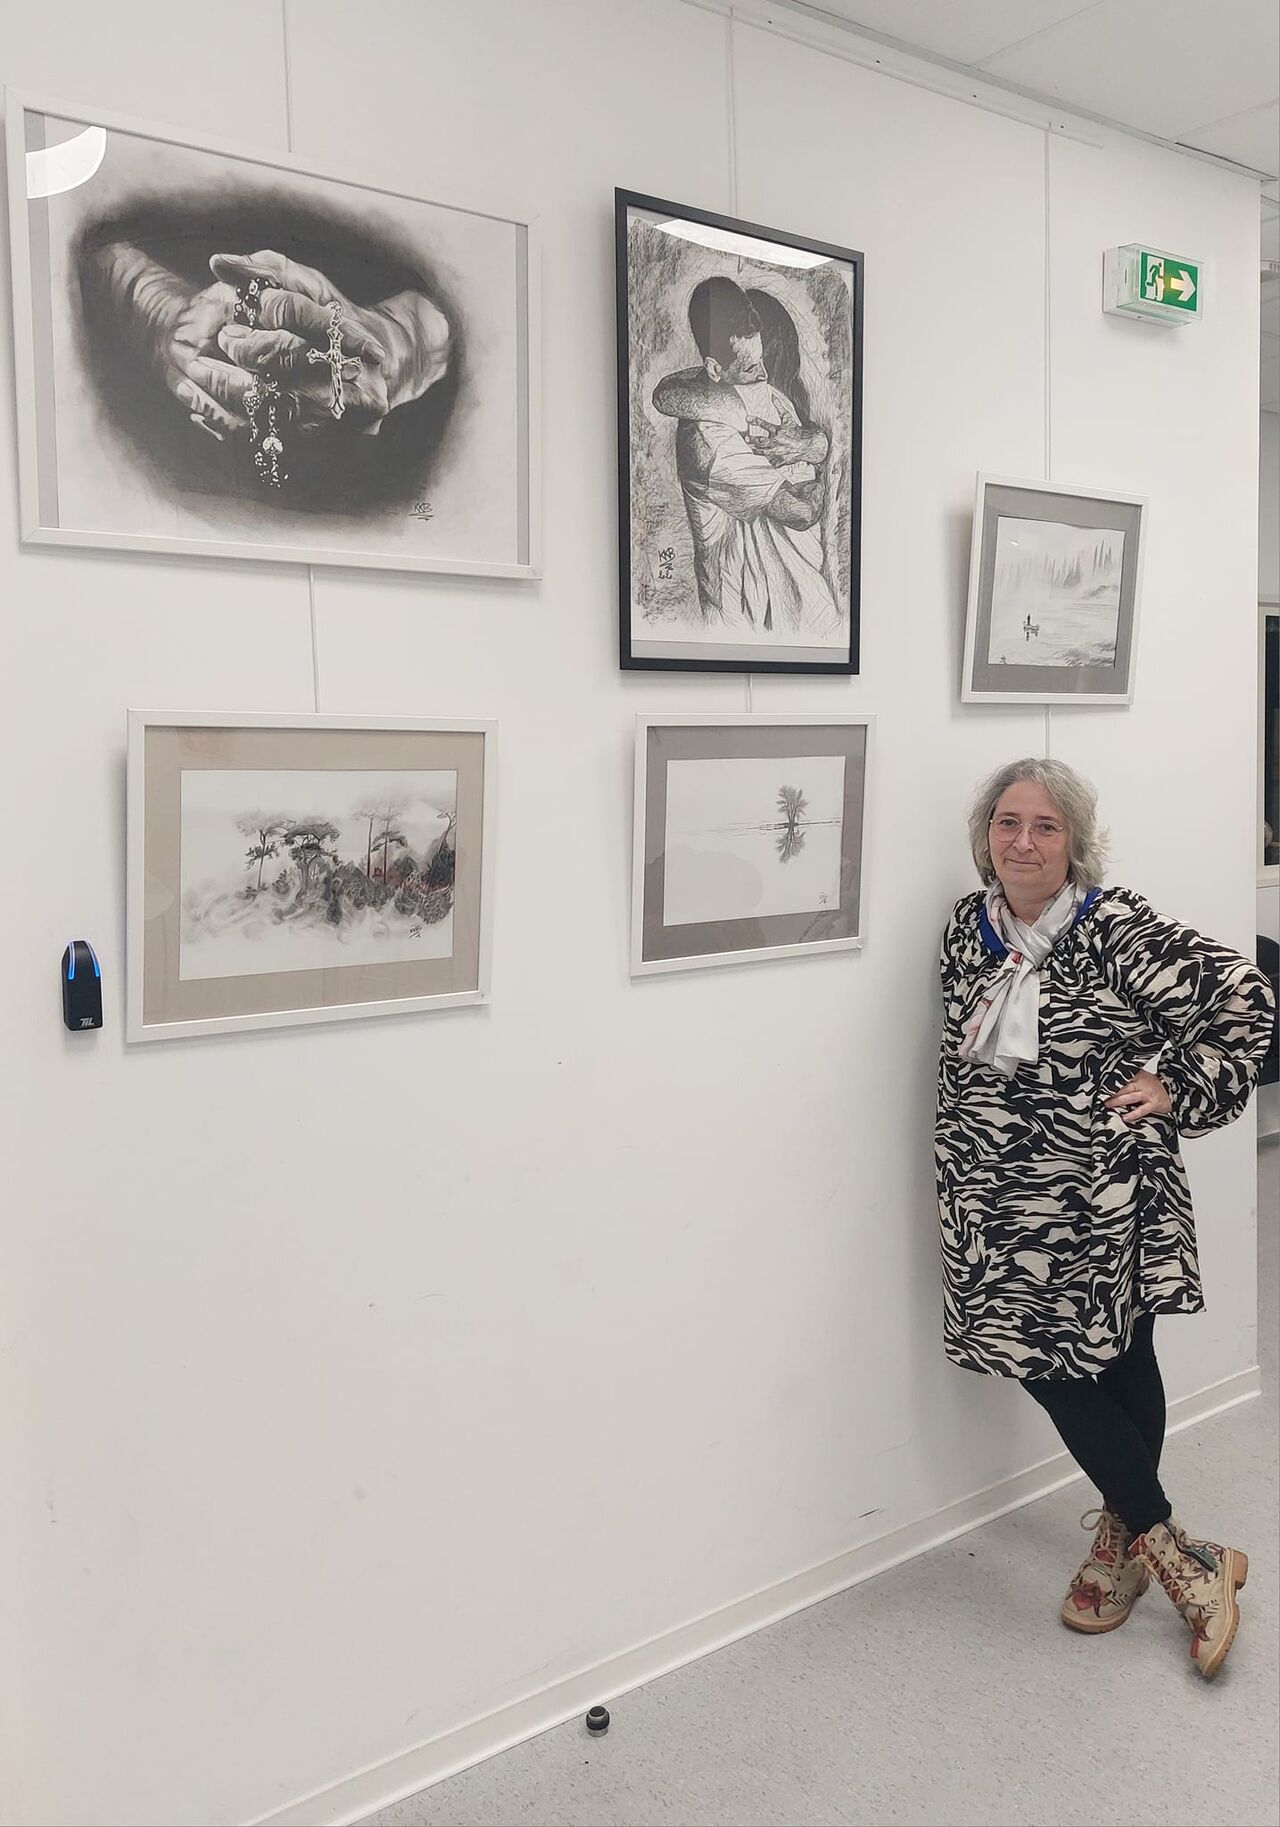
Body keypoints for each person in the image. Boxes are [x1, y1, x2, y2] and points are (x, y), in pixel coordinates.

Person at [935, 757, 1274, 1679]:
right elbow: (965, 1061)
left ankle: (1144, 1548)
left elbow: (1243, 995)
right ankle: (1179, 1550)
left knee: (1118, 1355)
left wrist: (1175, 1083)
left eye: (1046, 826)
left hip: (1105, 1187)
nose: (1024, 842)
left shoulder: (1113, 925)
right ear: (986, 837)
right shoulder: (968, 928)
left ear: (1075, 841)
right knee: (1043, 1357)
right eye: (1008, 823)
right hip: (997, 1192)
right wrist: (962, 1177)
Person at [650, 276, 840, 639]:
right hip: (744, 628)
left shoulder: (765, 397)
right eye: (751, 368)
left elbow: (814, 446)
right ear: (715, 369)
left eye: (761, 361)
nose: (764, 375)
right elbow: (801, 512)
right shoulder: (710, 441)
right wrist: (819, 483)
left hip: (808, 620)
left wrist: (813, 445)